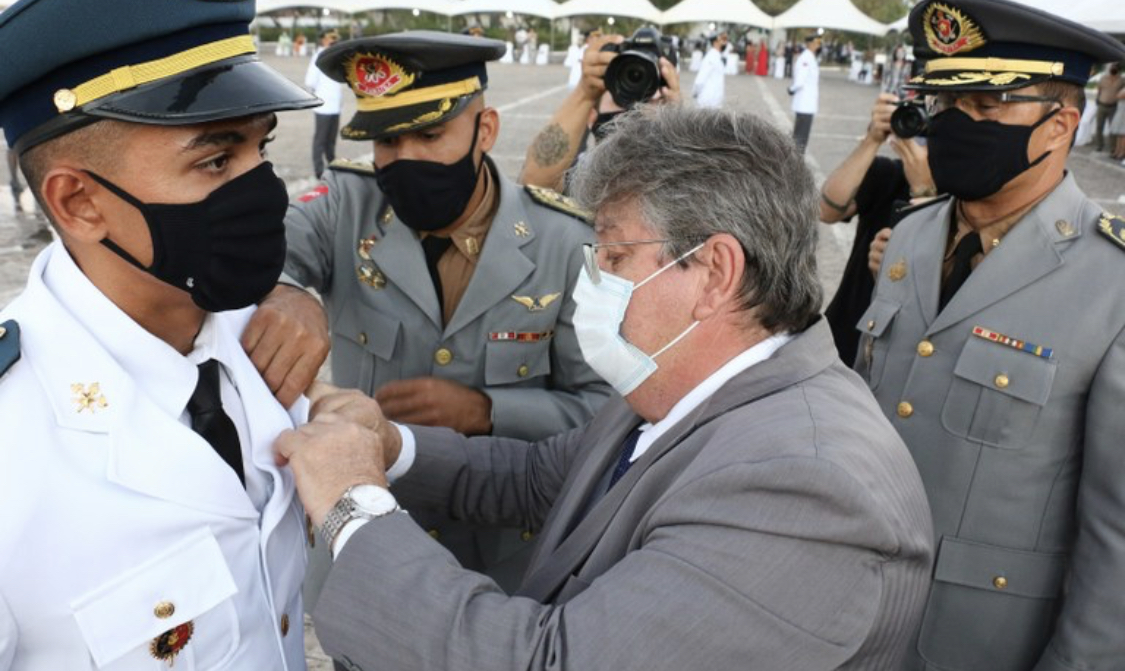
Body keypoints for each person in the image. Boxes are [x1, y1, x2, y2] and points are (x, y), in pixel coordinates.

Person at [275, 103, 935, 671]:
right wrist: (386, 446)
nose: (591, 281)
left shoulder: (804, 485)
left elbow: (549, 660)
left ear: (714, 272)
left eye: (614, 256)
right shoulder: (684, 389)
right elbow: (540, 478)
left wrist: (352, 504)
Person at [0, 0, 322, 667]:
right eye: (215, 160)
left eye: (260, 147)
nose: (265, 188)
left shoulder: (260, 331)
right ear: (78, 202)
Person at [251, 31, 612, 594]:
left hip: (504, 559)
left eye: (429, 134)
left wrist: (487, 410)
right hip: (369, 548)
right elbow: (258, 253)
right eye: (388, 141)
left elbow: (604, 411)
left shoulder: (563, 243)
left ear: (485, 131)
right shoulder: (348, 204)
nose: (406, 159)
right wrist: (284, 290)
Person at [854, 1, 1125, 668]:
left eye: (986, 105)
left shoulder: (1111, 281)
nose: (955, 124)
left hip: (980, 639)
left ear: (1060, 124)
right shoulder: (910, 235)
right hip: (850, 606)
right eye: (947, 103)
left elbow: (1115, 537)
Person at [820, 92, 936, 365]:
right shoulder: (888, 175)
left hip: (900, 356)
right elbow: (826, 210)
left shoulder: (963, 200)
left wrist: (925, 191)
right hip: (845, 336)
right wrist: (872, 139)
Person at [520, 33, 681, 193]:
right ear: (591, 116)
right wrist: (584, 93)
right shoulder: (581, 179)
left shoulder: (676, 183)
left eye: (648, 96)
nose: (633, 108)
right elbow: (534, 184)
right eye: (622, 95)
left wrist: (679, 129)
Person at [306, 30, 343, 179]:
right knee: (320, 139)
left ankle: (332, 162)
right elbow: (310, 81)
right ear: (323, 40)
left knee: (331, 139)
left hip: (335, 105)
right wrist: (319, 95)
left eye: (335, 39)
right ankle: (318, 170)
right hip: (324, 105)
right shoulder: (319, 56)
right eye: (330, 39)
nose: (333, 41)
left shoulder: (335, 56)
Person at [789, 33, 822, 154]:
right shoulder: (806, 58)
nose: (818, 45)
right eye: (816, 42)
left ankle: (796, 159)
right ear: (809, 44)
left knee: (801, 137)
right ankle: (795, 161)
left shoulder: (810, 57)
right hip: (804, 103)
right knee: (800, 138)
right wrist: (791, 89)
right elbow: (800, 81)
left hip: (807, 104)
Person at [692, 32, 727, 109]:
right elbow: (700, 79)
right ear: (715, 42)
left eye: (725, 40)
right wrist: (695, 93)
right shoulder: (711, 57)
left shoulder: (717, 56)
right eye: (722, 40)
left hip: (715, 101)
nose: (725, 43)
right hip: (707, 101)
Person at [1093, 63, 1120, 152]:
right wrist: (1097, 99)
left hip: (1113, 107)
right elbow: (1099, 89)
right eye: (1112, 67)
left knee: (1113, 127)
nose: (1113, 68)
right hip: (1102, 105)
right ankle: (1099, 145)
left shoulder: (1122, 80)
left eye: (1115, 67)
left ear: (1118, 69)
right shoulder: (1103, 78)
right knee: (1099, 126)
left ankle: (1113, 147)